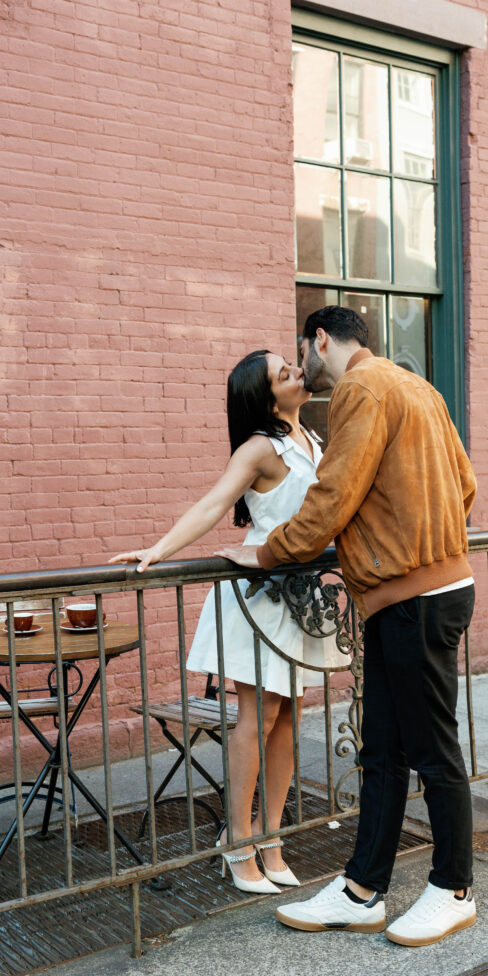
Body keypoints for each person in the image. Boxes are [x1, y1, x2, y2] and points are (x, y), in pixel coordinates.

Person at [219, 306, 477, 946]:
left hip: (414, 595)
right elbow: (465, 486)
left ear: (321, 341)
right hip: (417, 591)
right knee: (383, 751)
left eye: (301, 351)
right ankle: (363, 889)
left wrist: (267, 552)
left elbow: (331, 498)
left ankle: (453, 888)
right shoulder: (418, 387)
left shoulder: (361, 388)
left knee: (429, 749)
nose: (301, 364)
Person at [109, 349, 341, 895]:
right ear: (264, 398)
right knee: (257, 718)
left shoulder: (316, 441)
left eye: (291, 364)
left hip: (301, 595)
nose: (296, 371)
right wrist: (158, 549)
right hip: (258, 595)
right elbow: (215, 503)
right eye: (282, 373)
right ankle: (237, 842)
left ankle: (271, 838)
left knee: (289, 717)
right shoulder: (260, 447)